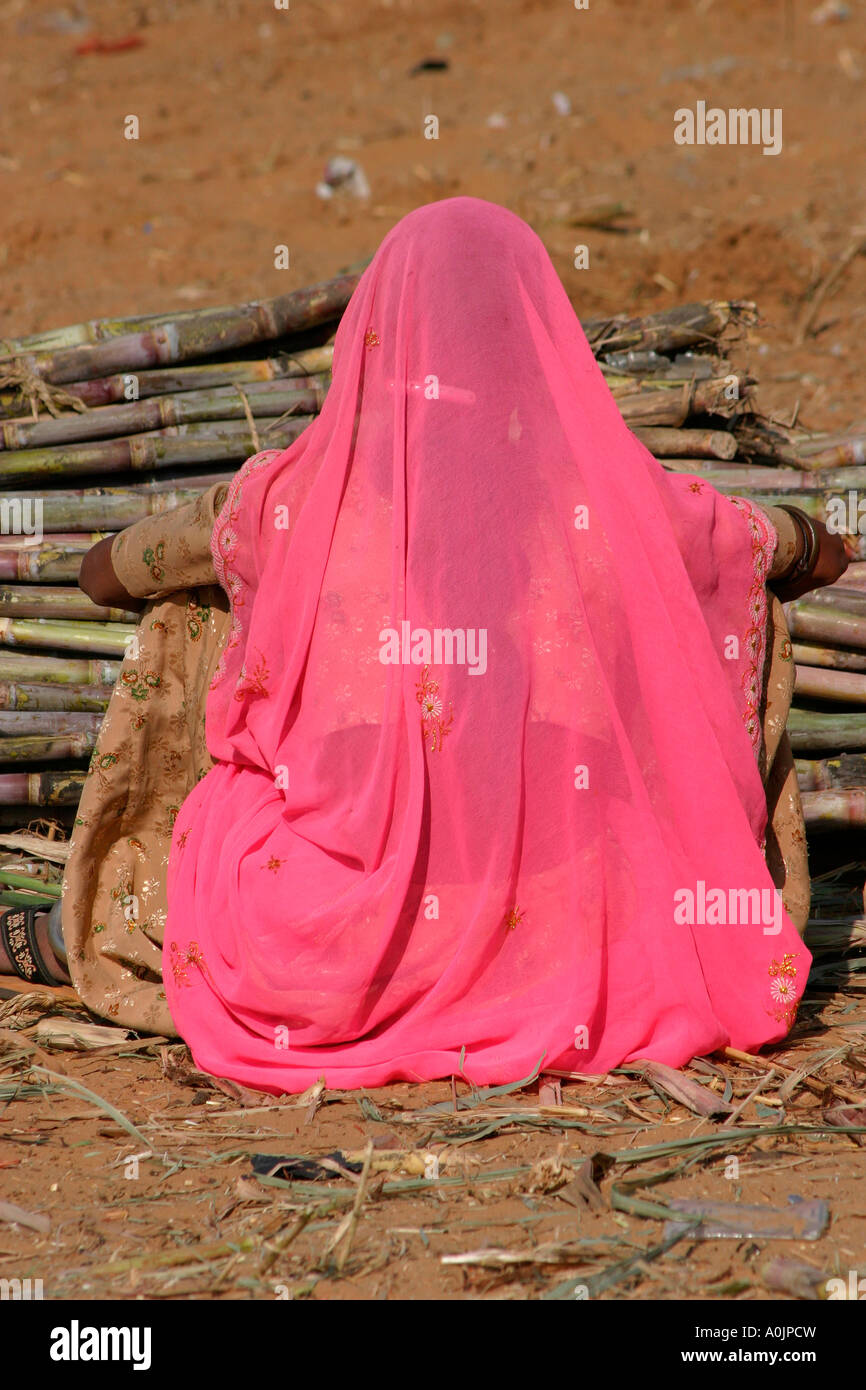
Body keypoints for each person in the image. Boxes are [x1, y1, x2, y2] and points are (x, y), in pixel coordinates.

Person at [1, 198, 848, 1093]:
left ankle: (100, 922)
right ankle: (502, 961)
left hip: (332, 948)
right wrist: (804, 539)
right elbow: (792, 551)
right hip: (572, 915)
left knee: (185, 614)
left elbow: (106, 574)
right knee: (730, 605)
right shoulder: (615, 510)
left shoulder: (291, 501)